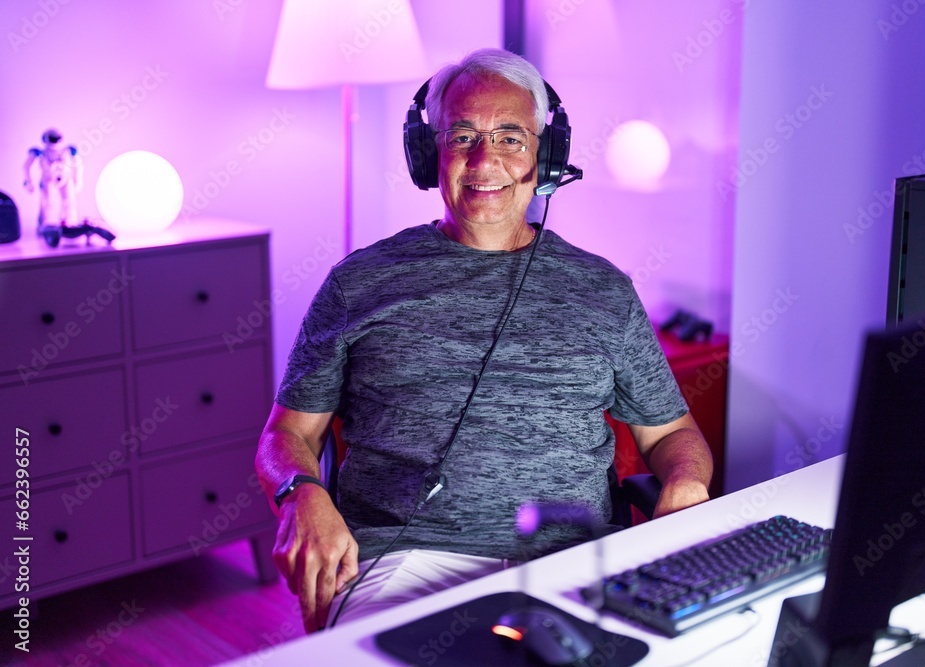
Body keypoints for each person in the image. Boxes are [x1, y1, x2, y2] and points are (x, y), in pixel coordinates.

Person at [256, 47, 713, 634]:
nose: (485, 159)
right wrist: (300, 494)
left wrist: (684, 480)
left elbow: (674, 433)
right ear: (430, 154)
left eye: (511, 137)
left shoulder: (604, 291)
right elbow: (287, 433)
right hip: (404, 559)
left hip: (574, 561)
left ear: (547, 155)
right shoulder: (359, 283)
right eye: (462, 136)